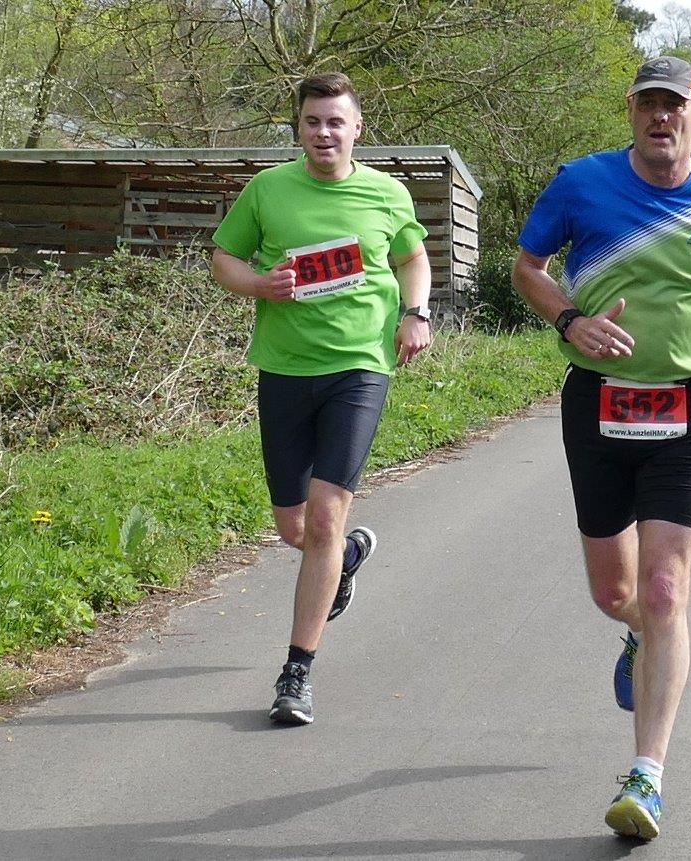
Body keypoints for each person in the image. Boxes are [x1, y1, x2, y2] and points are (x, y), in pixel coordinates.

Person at [512, 55, 691, 840]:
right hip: (596, 403)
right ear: (631, 110)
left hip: (688, 405)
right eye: (648, 103)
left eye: (675, 104)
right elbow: (528, 267)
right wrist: (569, 318)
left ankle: (647, 776)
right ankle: (638, 632)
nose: (661, 116)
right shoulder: (581, 182)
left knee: (667, 588)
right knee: (616, 592)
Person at [210, 72, 432, 726]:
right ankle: (346, 560)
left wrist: (415, 313)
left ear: (357, 127)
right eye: (313, 122)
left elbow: (413, 259)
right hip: (284, 367)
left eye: (336, 121)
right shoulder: (268, 189)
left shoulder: (386, 193)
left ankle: (296, 672)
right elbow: (223, 260)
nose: (324, 132)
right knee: (296, 529)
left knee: (327, 518)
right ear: (299, 128)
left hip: (360, 366)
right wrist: (260, 284)